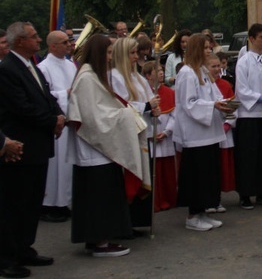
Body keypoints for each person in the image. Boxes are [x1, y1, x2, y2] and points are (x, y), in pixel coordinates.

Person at [66, 34, 151, 258]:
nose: (111, 57)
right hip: (95, 149)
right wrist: (125, 115)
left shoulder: (93, 75)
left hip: (99, 148)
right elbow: (93, 116)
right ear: (98, 53)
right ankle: (102, 242)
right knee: (100, 197)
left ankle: (95, 239)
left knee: (96, 197)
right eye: (108, 53)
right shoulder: (87, 78)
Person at [0, 22, 65, 277]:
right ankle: (6, 258)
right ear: (20, 42)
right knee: (14, 203)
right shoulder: (7, 70)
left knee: (31, 202)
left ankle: (24, 247)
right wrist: (51, 121)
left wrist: (58, 115)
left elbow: (46, 97)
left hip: (38, 144)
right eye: (34, 37)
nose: (38, 40)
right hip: (19, 147)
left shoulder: (30, 67)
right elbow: (22, 107)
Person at [174, 34, 232, 231]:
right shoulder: (187, 73)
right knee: (196, 176)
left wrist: (224, 105)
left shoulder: (203, 72)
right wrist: (212, 105)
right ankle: (192, 215)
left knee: (208, 174)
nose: (209, 51)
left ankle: (202, 212)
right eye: (205, 48)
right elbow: (188, 103)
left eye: (210, 47)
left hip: (209, 132)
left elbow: (215, 95)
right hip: (195, 134)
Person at [110, 38, 161, 232]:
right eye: (131, 53)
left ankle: (139, 220)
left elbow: (149, 97)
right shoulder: (114, 76)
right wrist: (147, 106)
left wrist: (153, 107)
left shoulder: (138, 77)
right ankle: (126, 222)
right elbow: (120, 104)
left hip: (141, 132)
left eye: (135, 52)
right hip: (127, 135)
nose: (135, 57)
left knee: (144, 173)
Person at [234, 23, 262, 210]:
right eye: (261, 37)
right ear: (251, 39)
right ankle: (245, 193)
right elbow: (241, 89)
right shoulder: (244, 61)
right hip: (249, 114)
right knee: (248, 155)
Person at [38, 31, 77, 223]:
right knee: (55, 167)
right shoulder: (43, 68)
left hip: (71, 121)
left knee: (67, 166)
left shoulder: (71, 65)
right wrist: (66, 93)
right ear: (52, 46)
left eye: (69, 41)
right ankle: (49, 205)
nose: (69, 44)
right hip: (56, 122)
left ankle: (63, 203)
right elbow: (44, 95)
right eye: (64, 42)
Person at [142, 61, 178, 212]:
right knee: (153, 172)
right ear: (148, 75)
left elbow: (175, 116)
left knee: (167, 173)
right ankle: (155, 202)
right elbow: (142, 115)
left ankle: (170, 199)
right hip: (150, 139)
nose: (161, 73)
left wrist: (167, 132)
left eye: (162, 70)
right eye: (157, 71)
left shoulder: (170, 93)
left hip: (166, 137)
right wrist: (151, 134)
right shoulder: (143, 95)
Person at [206, 53, 235, 213]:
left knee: (220, 168)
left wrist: (227, 124)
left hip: (224, 132)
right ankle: (208, 200)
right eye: (213, 66)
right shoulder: (202, 84)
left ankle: (217, 200)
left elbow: (233, 108)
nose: (218, 69)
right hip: (208, 131)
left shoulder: (225, 85)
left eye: (219, 66)